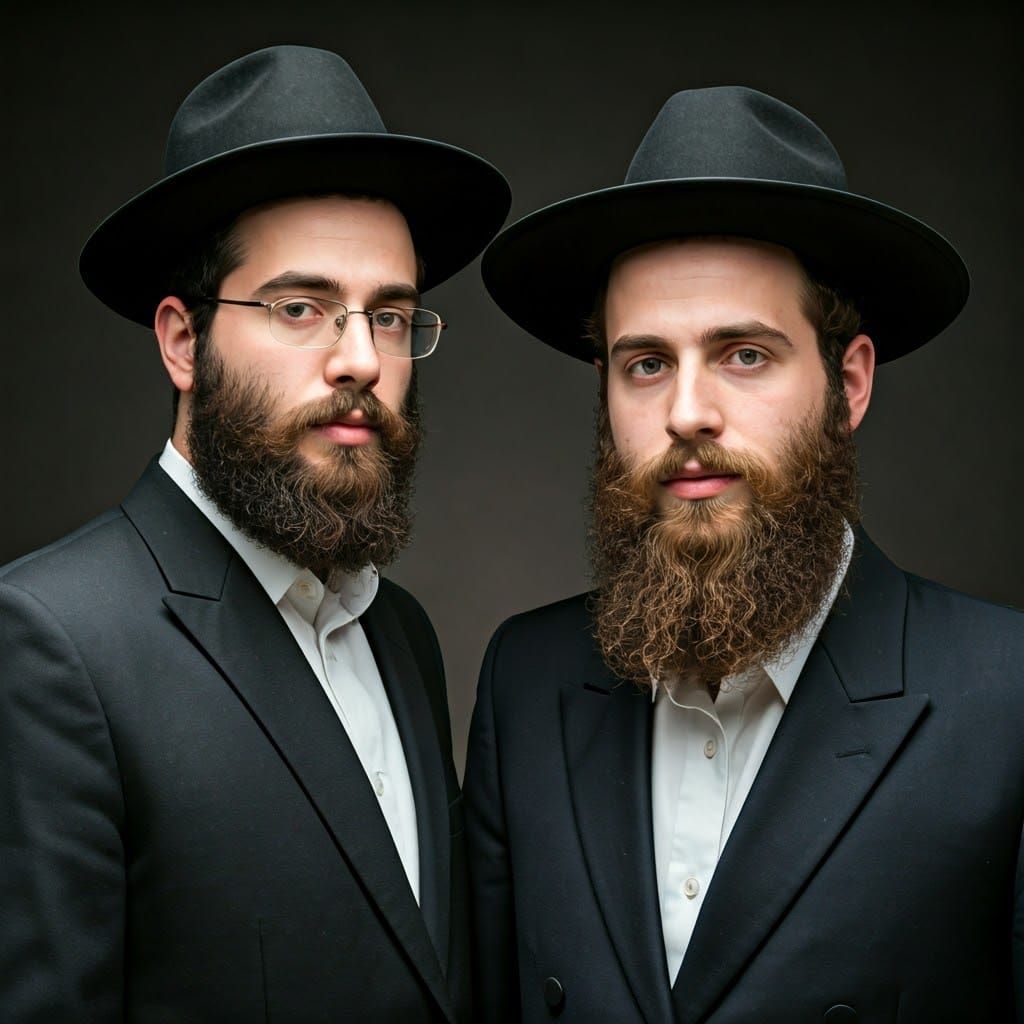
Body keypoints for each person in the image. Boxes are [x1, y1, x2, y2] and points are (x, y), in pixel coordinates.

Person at [466, 86, 1023, 1022]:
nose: (687, 413)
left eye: (744, 355)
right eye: (646, 363)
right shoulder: (527, 681)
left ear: (849, 384)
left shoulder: (1006, 698)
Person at [0, 45, 508, 1023]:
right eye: (301, 307)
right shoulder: (46, 644)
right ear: (183, 341)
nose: (359, 358)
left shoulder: (397, 632)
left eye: (391, 316)